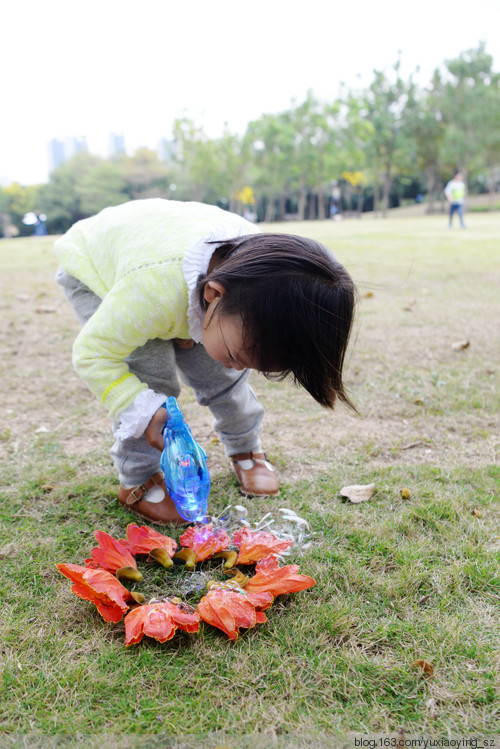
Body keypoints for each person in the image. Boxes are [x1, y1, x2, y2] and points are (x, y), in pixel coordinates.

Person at [54, 199, 356, 525]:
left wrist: (197, 330)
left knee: (223, 379)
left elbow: (229, 355)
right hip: (100, 268)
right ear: (213, 295)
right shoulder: (149, 290)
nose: (238, 366)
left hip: (173, 285)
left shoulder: (261, 276)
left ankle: (245, 447)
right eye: (238, 356)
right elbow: (93, 353)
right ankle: (137, 478)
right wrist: (137, 404)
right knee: (151, 381)